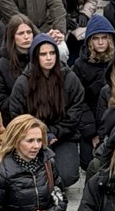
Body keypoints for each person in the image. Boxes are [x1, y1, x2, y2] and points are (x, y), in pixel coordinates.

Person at [6, 33, 88, 187]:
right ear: (35, 57)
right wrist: (41, 134)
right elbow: (17, 114)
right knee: (35, 175)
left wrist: (54, 132)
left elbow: (75, 112)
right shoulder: (23, 82)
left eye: (52, 53)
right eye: (43, 54)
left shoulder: (69, 78)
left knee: (68, 176)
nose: (49, 58)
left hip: (63, 136)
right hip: (32, 136)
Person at [0, 13, 36, 120]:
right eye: (21, 33)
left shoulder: (40, 57)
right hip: (16, 118)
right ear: (12, 37)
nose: (26, 37)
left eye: (29, 32)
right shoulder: (3, 65)